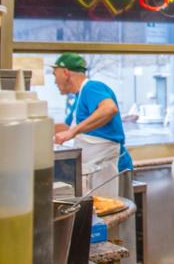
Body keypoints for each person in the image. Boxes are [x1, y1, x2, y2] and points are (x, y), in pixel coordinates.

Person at [52, 53, 133, 197]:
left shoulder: (92, 87)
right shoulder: (79, 97)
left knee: (110, 211)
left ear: (65, 73)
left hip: (112, 169)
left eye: (55, 74)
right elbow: (67, 128)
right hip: (95, 169)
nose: (54, 81)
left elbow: (109, 109)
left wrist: (73, 132)